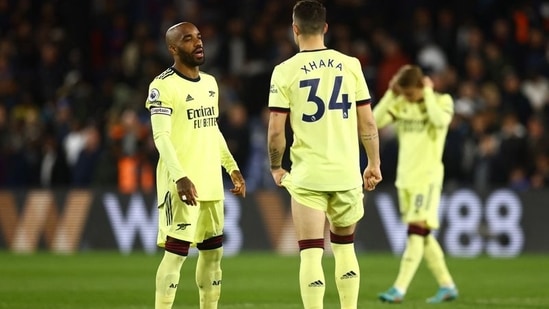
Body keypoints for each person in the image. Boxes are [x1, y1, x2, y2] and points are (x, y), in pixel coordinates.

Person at [267, 1, 383, 308]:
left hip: (308, 176)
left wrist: (276, 166)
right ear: (325, 28)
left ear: (295, 29)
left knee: (311, 251)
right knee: (345, 249)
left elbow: (276, 130)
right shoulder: (351, 65)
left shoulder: (284, 71)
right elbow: (368, 121)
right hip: (346, 174)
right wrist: (373, 162)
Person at [145, 22, 246, 309]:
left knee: (213, 255)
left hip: (211, 183)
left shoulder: (211, 83)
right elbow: (160, 136)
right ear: (173, 49)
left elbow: (212, 129)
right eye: (188, 39)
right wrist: (180, 177)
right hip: (182, 185)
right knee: (176, 254)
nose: (198, 43)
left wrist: (232, 167)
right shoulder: (162, 86)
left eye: (199, 37)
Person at [373, 64, 458, 304]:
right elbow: (376, 121)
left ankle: (399, 288)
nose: (408, 97)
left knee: (415, 232)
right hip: (405, 179)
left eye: (411, 93)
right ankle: (447, 285)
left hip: (427, 178)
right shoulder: (402, 104)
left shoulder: (442, 101)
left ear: (422, 86)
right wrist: (391, 93)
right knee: (423, 235)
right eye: (405, 93)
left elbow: (440, 122)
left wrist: (429, 93)